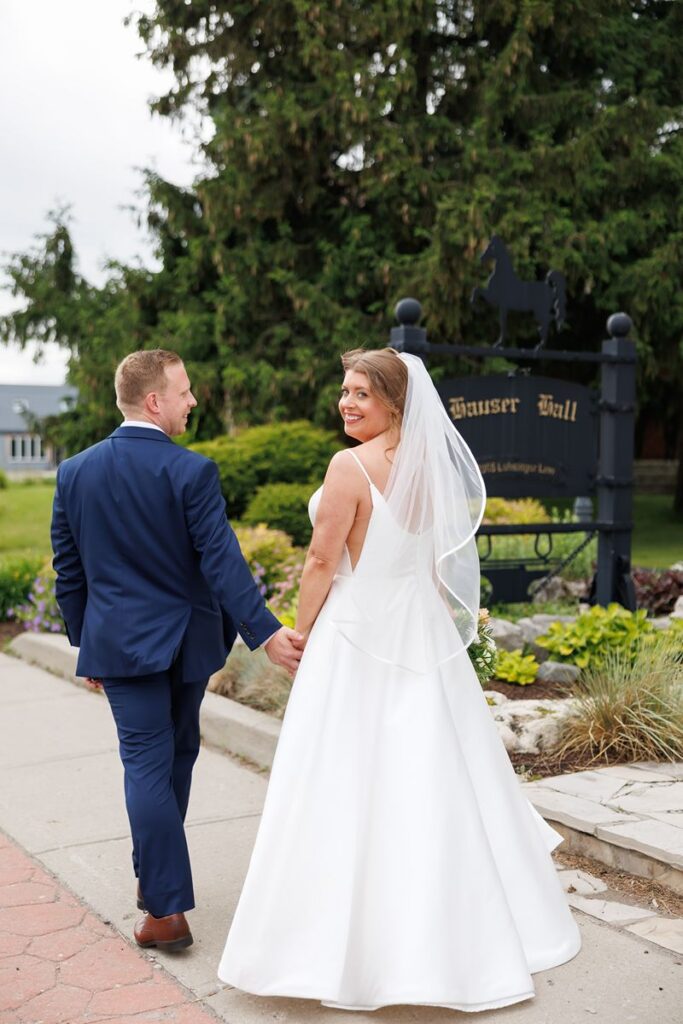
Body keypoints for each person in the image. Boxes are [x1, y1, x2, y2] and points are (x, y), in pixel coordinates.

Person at [218, 348, 581, 1011]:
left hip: (355, 637)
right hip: (419, 632)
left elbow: (322, 558)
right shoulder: (425, 466)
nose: (345, 402)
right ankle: (465, 936)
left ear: (393, 402)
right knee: (432, 773)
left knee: (344, 779)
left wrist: (299, 634)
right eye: (343, 390)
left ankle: (344, 951)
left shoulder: (348, 466)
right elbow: (435, 561)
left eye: (360, 393)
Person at [51, 349, 302, 952]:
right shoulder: (192, 472)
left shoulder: (75, 472)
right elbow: (223, 562)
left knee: (164, 761)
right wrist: (267, 633)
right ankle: (166, 910)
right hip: (184, 645)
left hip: (127, 646)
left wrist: (89, 642)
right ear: (155, 400)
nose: (194, 402)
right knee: (162, 762)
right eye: (185, 392)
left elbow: (69, 572)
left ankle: (155, 881)